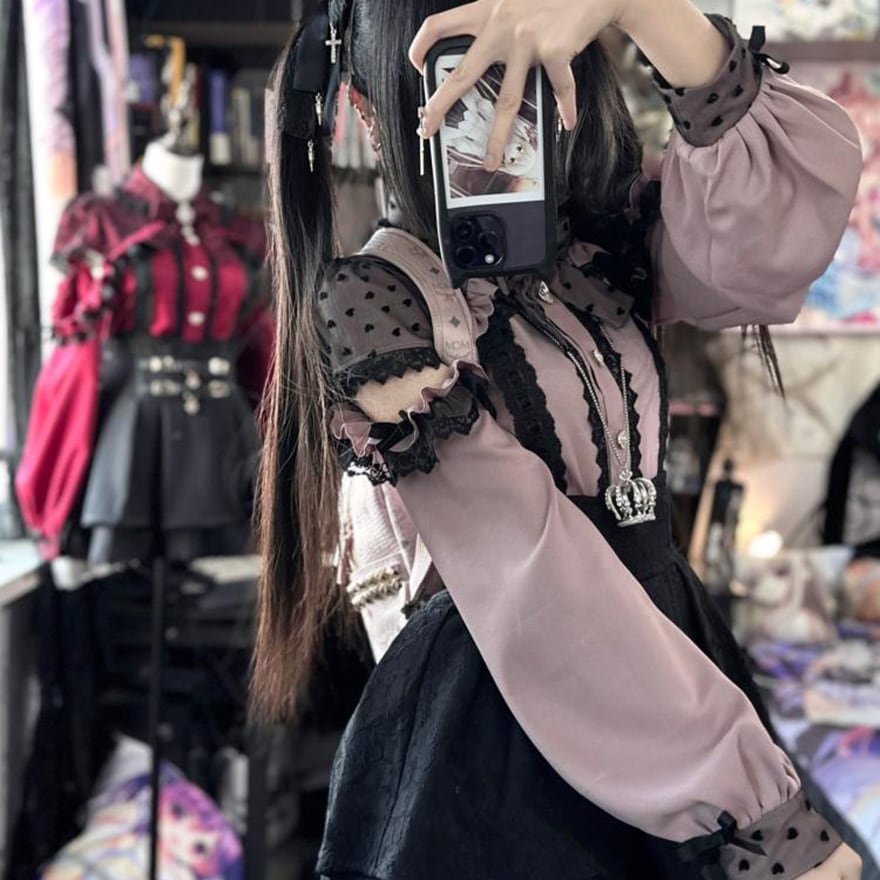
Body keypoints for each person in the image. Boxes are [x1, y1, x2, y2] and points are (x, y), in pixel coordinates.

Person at [252, 0, 865, 877]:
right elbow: (532, 575)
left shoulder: (608, 247)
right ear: (366, 105)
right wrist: (759, 812)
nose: (501, 113)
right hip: (508, 735)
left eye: (524, 70)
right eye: (463, 80)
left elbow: (769, 244)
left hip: (672, 676)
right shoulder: (380, 303)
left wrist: (639, 6)